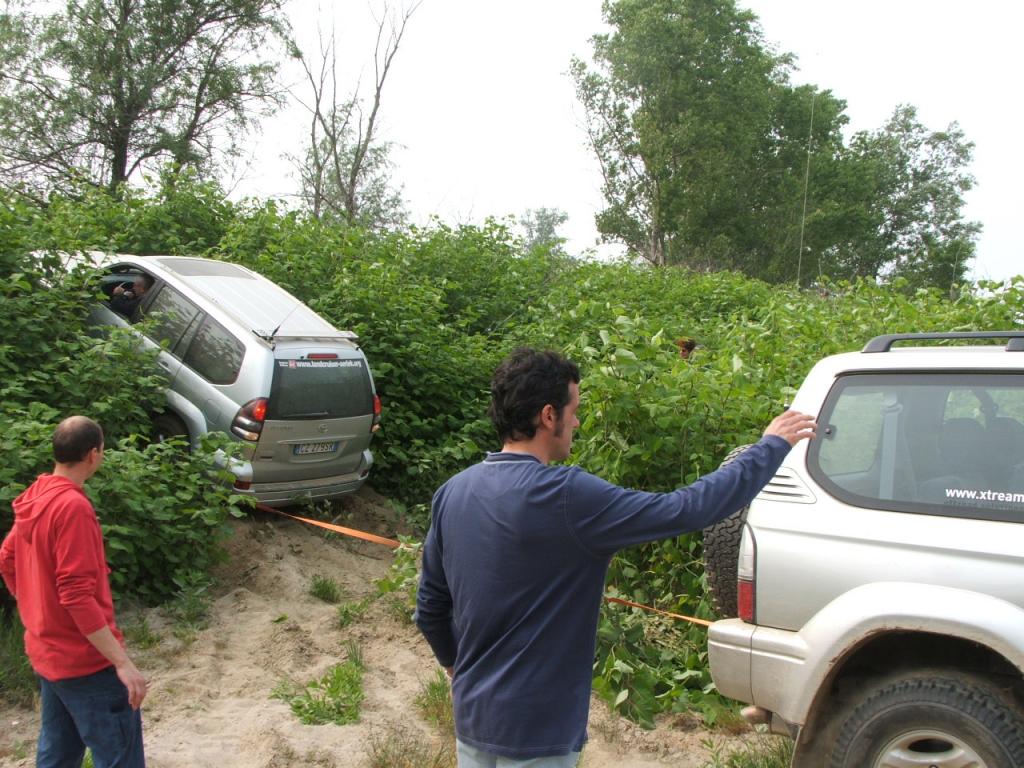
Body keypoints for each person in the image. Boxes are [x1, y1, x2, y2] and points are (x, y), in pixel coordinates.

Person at [415, 348, 816, 767]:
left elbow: (430, 609)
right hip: (539, 731)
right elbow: (688, 509)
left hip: (473, 720)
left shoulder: (452, 493)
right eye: (574, 410)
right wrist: (770, 447)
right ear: (549, 415)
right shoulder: (567, 496)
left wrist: (456, 669)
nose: (577, 422)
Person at [1, 416, 147, 768]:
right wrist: (122, 663)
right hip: (85, 662)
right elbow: (76, 595)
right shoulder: (73, 507)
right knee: (119, 756)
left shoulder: (36, 494)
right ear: (93, 455)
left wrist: (37, 608)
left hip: (48, 653)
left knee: (58, 755)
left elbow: (7, 558)